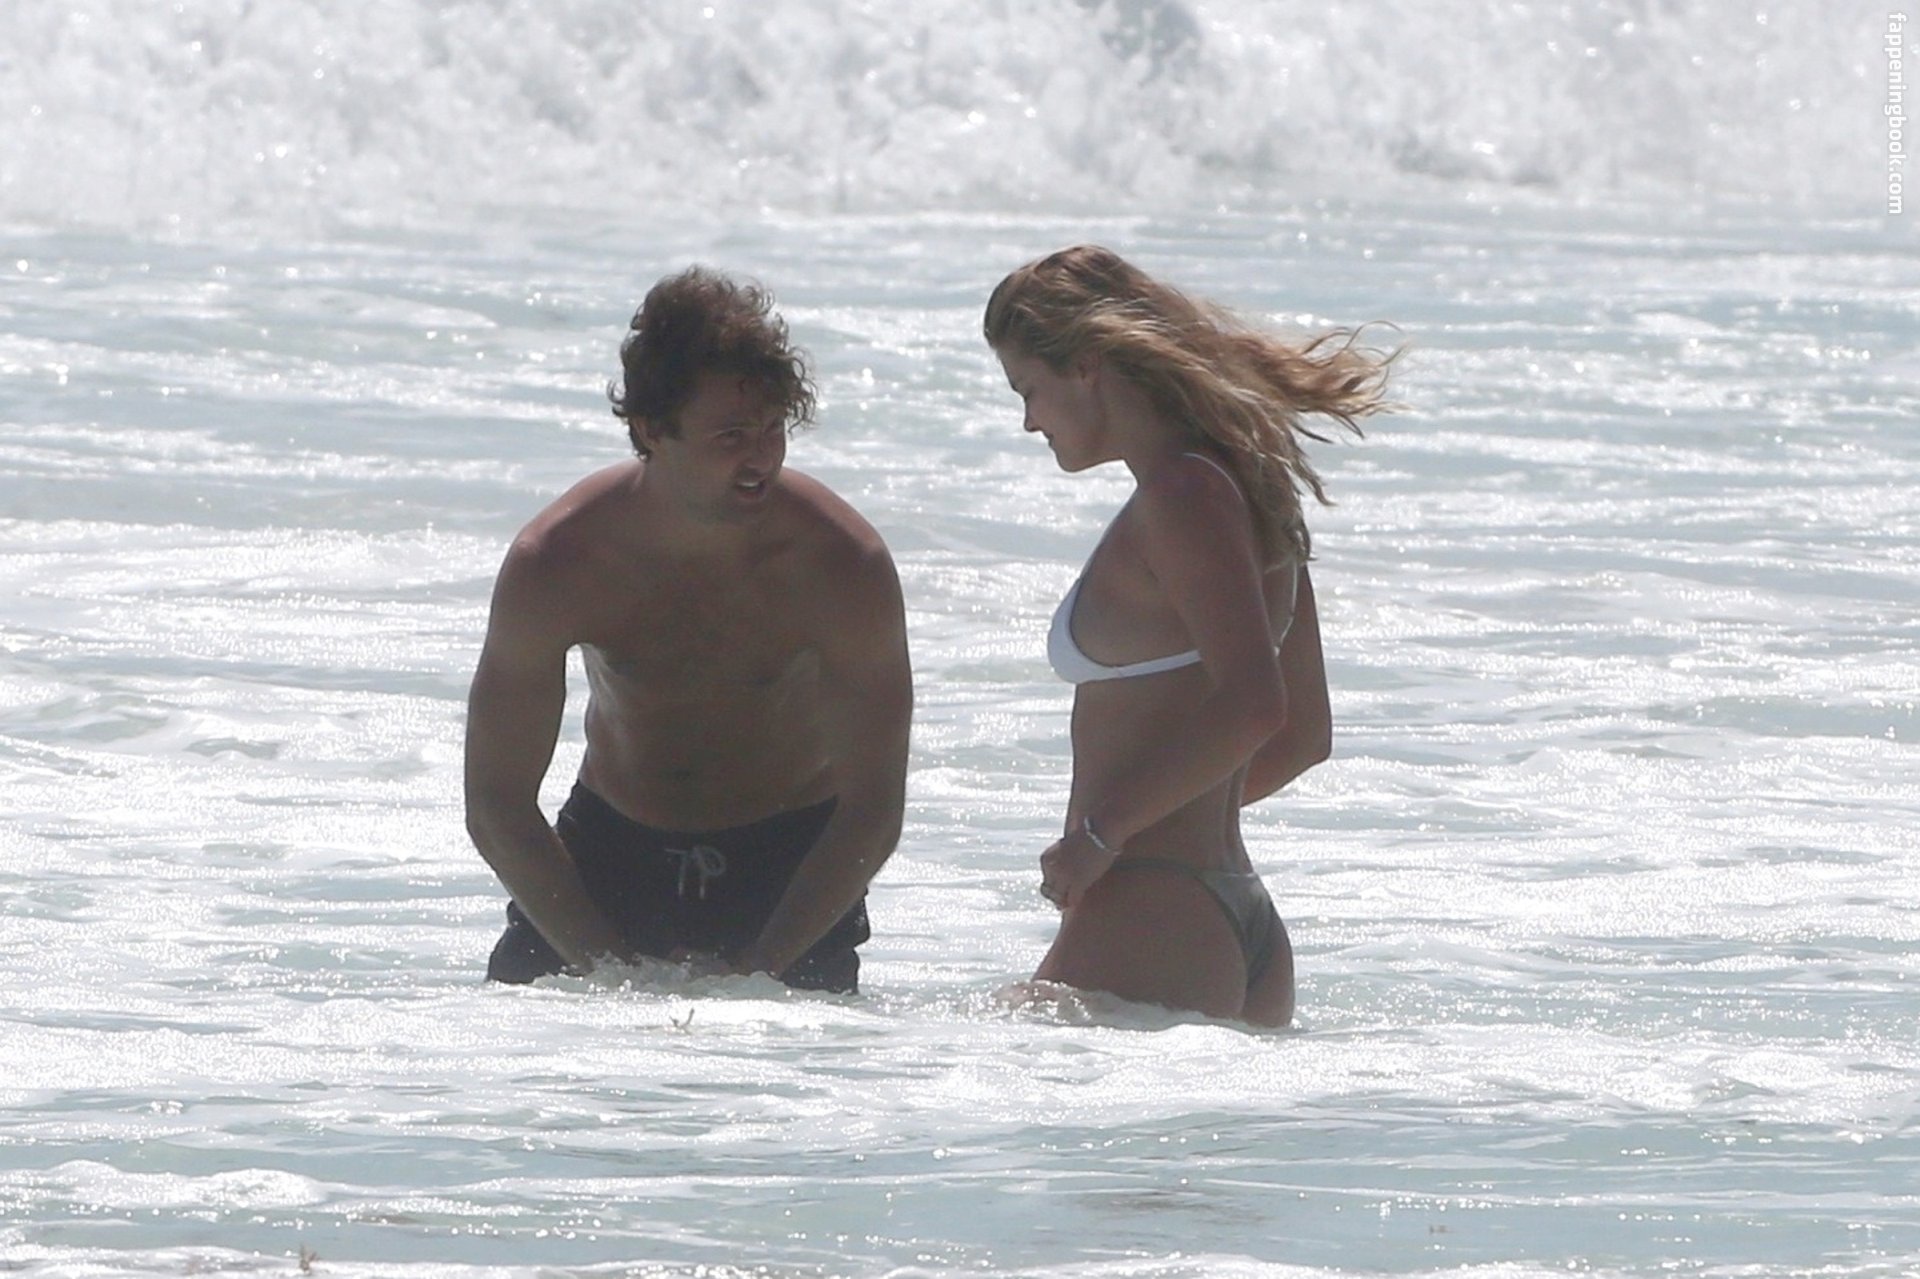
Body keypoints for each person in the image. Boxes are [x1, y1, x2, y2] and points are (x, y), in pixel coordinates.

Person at [466, 267, 912, 994]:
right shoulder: (559, 562)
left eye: (773, 429)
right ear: (652, 429)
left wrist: (762, 968)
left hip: (787, 868)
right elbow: (496, 802)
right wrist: (605, 969)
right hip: (611, 855)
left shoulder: (840, 565)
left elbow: (874, 810)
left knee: (796, 1062)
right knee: (520, 1055)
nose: (760, 458)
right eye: (731, 436)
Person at [983, 245, 1395, 1026]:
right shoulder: (1251, 486)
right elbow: (1304, 736)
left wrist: (1107, 835)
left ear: (1086, 367)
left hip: (1153, 906)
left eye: (1027, 388)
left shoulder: (1181, 495)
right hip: (1230, 914)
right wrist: (1174, 825)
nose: (1029, 418)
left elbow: (1256, 704)